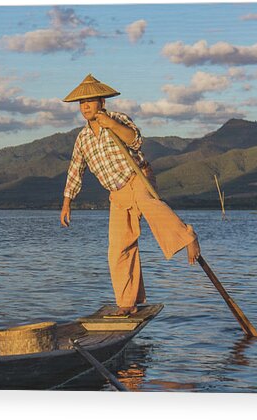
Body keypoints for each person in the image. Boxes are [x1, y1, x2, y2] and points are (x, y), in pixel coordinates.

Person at [60, 74, 201, 316]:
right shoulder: (82, 139)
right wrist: (67, 203)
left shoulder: (117, 119)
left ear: (102, 102)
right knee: (119, 248)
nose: (85, 107)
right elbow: (76, 169)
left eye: (90, 102)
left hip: (138, 178)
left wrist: (111, 125)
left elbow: (135, 141)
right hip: (116, 193)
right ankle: (127, 301)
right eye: (81, 103)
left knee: (150, 205)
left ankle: (187, 235)